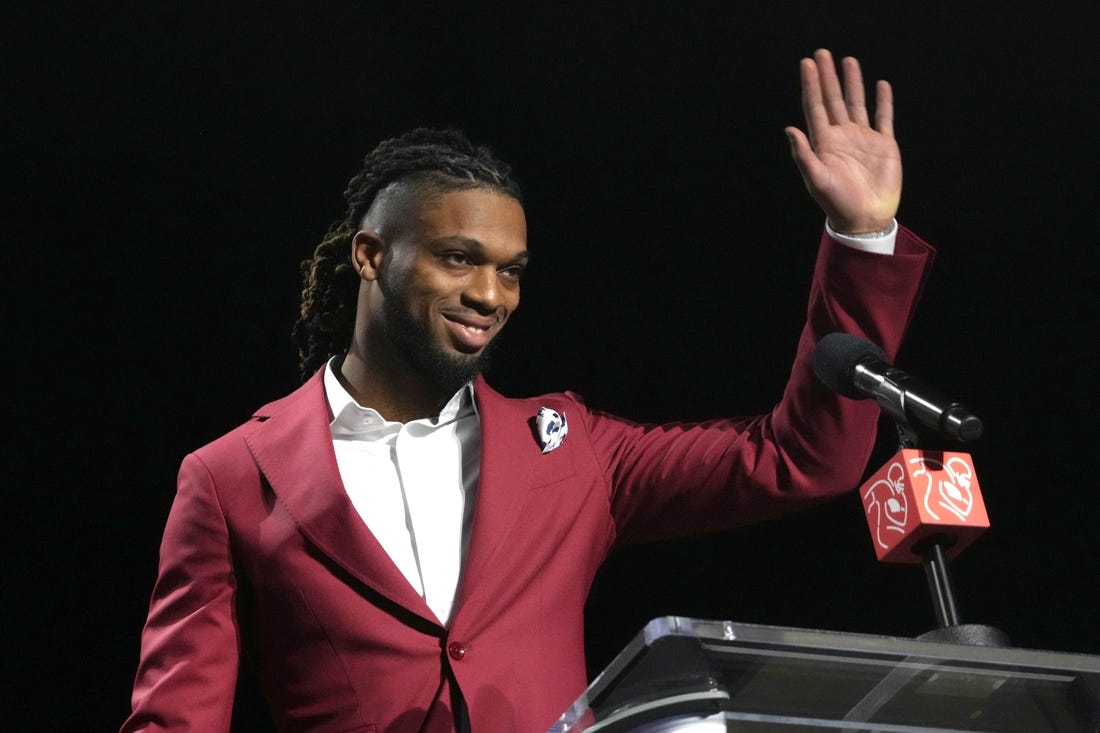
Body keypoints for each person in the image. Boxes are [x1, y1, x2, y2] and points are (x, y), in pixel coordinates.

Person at [121, 49, 935, 732]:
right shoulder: (231, 477)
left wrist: (862, 238)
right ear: (371, 255)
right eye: (458, 257)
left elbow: (802, 457)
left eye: (510, 271)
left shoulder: (572, 451)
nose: (490, 293)